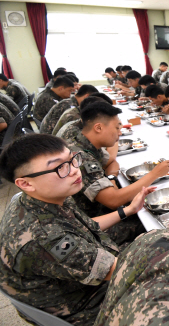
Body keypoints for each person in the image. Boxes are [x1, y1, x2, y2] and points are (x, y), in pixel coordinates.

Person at [0, 134, 157, 325]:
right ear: (25, 183)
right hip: (85, 305)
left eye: (72, 160)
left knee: (145, 229)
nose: (75, 171)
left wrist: (129, 210)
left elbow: (87, 226)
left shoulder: (39, 197)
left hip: (76, 281)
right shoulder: (44, 237)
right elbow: (122, 271)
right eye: (60, 167)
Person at [67, 102, 169, 245]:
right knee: (154, 222)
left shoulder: (86, 143)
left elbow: (111, 162)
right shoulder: (81, 157)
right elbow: (114, 201)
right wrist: (154, 174)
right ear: (98, 127)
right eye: (117, 128)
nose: (120, 133)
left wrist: (111, 179)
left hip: (95, 213)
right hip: (91, 226)